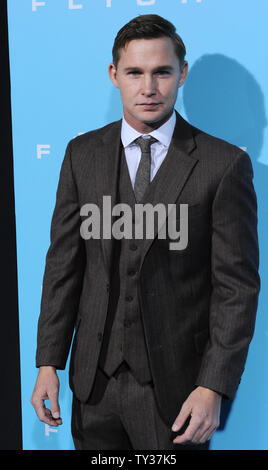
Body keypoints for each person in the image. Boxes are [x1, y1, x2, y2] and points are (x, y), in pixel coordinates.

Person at [31, 14, 260, 450]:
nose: (149, 87)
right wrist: (48, 363)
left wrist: (213, 386)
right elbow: (63, 265)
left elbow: (237, 288)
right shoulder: (82, 155)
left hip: (176, 391)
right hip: (91, 386)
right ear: (114, 75)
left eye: (162, 72)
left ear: (182, 74)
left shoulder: (223, 165)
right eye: (135, 72)